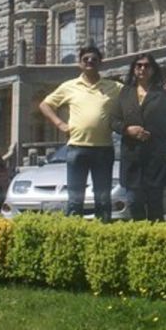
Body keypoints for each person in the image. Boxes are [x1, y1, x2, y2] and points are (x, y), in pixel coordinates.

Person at [39, 45, 120, 221]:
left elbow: (136, 94)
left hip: (104, 149)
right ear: (80, 63)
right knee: (75, 201)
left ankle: (102, 237)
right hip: (77, 149)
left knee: (103, 200)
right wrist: (60, 123)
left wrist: (163, 86)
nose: (90, 61)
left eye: (94, 59)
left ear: (100, 63)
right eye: (86, 59)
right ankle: (75, 240)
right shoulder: (69, 86)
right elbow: (45, 105)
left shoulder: (113, 87)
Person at [112, 53, 166, 221]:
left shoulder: (164, 93)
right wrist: (127, 130)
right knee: (134, 203)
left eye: (147, 66)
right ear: (133, 69)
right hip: (132, 158)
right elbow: (113, 120)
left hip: (155, 159)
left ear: (153, 70)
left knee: (155, 205)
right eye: (138, 65)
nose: (142, 69)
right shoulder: (124, 93)